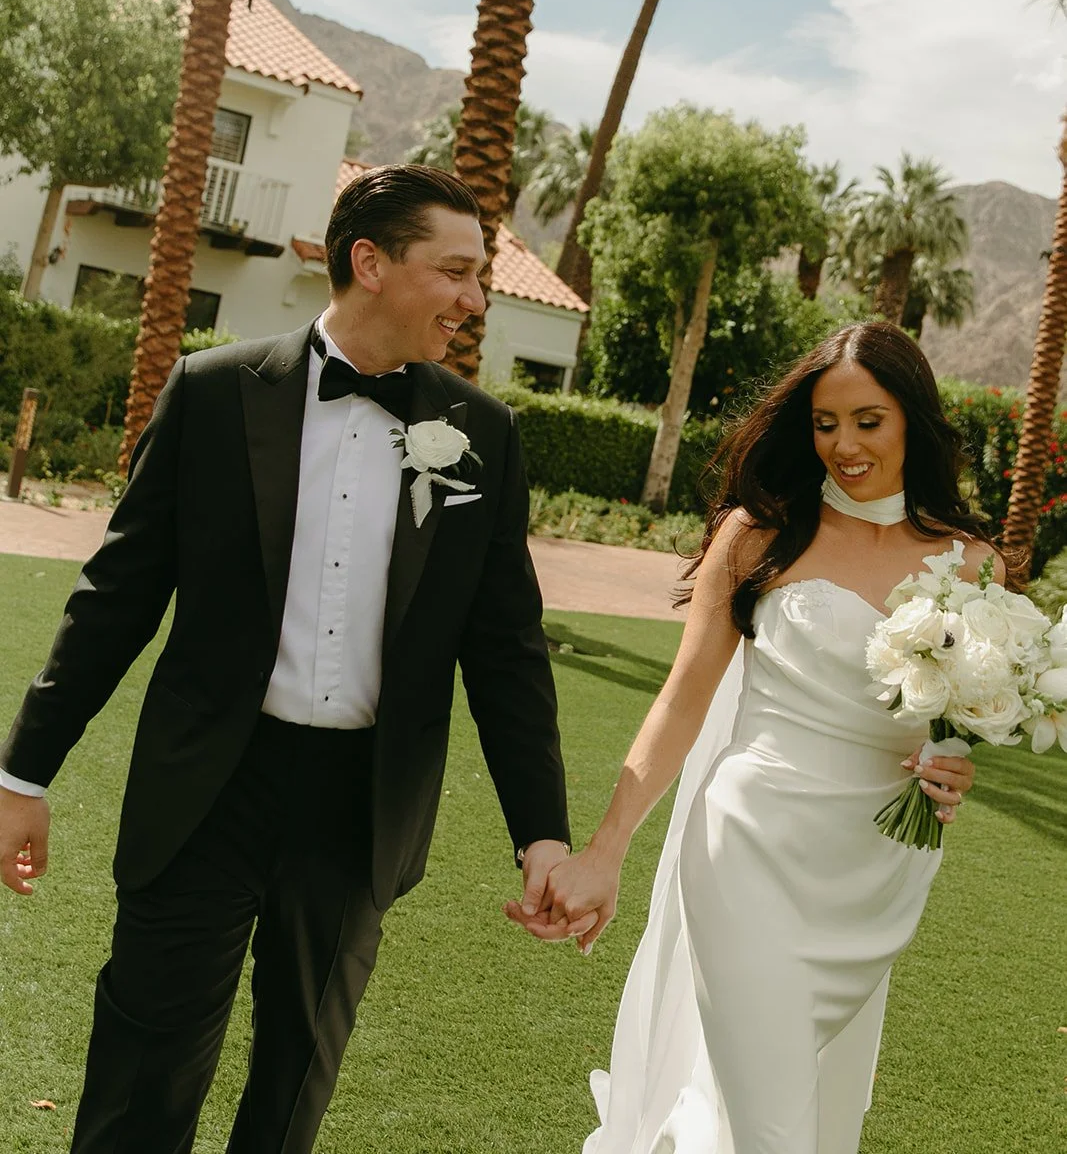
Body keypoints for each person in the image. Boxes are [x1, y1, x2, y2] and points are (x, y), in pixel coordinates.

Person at [0, 164, 570, 1154]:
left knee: (294, 1083)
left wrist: (542, 835)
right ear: (370, 263)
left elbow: (506, 652)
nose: (475, 299)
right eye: (455, 272)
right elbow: (117, 597)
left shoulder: (482, 435)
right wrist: (22, 774)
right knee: (143, 1072)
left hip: (361, 807)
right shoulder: (213, 391)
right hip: (206, 789)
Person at [511, 321, 994, 1154]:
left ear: (912, 420)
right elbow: (681, 701)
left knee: (793, 1109)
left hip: (875, 871)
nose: (843, 444)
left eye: (867, 420)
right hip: (748, 846)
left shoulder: (971, 562)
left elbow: (965, 712)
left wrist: (954, 762)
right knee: (771, 1128)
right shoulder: (759, 533)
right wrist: (604, 851)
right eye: (824, 422)